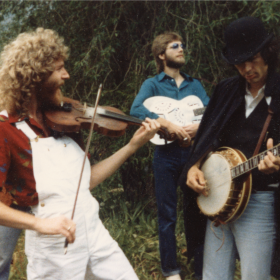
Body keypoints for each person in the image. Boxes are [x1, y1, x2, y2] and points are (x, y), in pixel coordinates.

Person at [0, 28, 160, 280]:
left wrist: (132, 146)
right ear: (36, 76)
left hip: (94, 232)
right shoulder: (7, 130)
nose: (66, 75)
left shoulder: (62, 120)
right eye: (59, 69)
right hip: (53, 245)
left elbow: (85, 181)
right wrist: (40, 224)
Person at [180, 17, 280, 280]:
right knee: (213, 276)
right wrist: (193, 167)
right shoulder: (227, 90)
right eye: (239, 62)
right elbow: (206, 138)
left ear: (268, 51)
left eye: (253, 58)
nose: (246, 68)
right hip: (217, 196)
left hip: (259, 202)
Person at [130, 32, 209, 280]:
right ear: (161, 54)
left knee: (197, 211)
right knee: (167, 214)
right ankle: (171, 269)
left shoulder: (194, 85)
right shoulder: (152, 84)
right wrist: (164, 122)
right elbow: (135, 110)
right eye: (175, 46)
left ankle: (201, 269)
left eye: (183, 45)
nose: (181, 49)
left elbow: (210, 112)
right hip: (165, 155)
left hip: (193, 157)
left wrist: (200, 126)